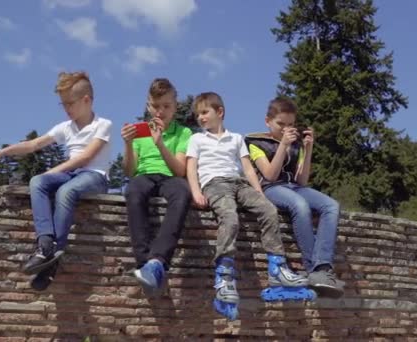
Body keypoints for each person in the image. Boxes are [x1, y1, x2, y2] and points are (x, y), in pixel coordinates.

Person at [0, 71, 112, 290]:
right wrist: (0, 153)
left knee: (65, 192)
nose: (66, 109)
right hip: (71, 174)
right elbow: (33, 145)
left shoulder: (103, 125)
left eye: (70, 103)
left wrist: (53, 171)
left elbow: (85, 158)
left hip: (94, 175)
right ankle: (46, 244)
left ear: (86, 100)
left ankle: (51, 261)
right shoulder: (65, 128)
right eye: (63, 104)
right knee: (37, 182)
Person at [186, 92, 313, 320]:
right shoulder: (196, 139)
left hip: (238, 183)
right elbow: (191, 167)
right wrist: (195, 191)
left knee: (268, 210)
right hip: (214, 184)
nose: (201, 118)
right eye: (198, 114)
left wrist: (258, 191)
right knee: (230, 217)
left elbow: (246, 168)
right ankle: (224, 275)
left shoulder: (236, 138)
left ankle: (277, 269)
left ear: (220, 112)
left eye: (205, 112)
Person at [246, 97, 345, 298]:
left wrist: (308, 149)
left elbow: (302, 180)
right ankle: (312, 269)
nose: (285, 129)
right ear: (268, 121)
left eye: (290, 125)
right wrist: (282, 145)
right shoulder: (255, 142)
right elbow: (270, 175)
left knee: (331, 206)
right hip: (271, 187)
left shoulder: (296, 145)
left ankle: (323, 266)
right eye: (280, 124)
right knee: (300, 206)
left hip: (293, 186)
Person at [120, 78, 192, 296]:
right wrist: (128, 144)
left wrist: (160, 143)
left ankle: (158, 261)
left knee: (182, 192)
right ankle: (146, 264)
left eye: (166, 107)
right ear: (148, 106)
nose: (161, 112)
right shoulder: (139, 133)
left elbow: (180, 170)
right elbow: (130, 171)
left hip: (170, 177)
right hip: (144, 175)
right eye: (156, 106)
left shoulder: (184, 133)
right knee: (133, 191)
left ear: (175, 107)